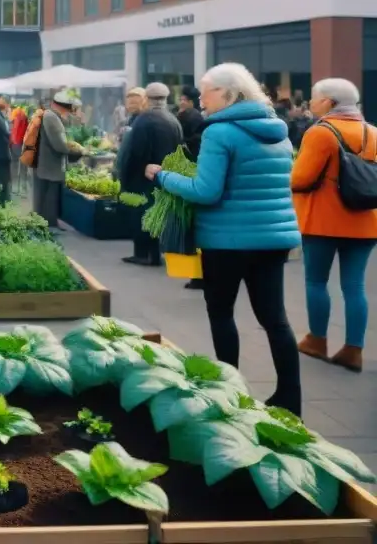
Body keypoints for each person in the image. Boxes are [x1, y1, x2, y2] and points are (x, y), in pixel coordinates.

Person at [145, 63, 302, 415]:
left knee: (221, 313)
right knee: (275, 319)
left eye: (207, 91)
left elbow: (205, 191)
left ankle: (229, 396)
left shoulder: (220, 132)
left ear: (230, 94)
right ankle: (291, 400)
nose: (200, 98)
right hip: (273, 240)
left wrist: (163, 176)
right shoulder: (278, 131)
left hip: (226, 242)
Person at [292, 78, 377, 373]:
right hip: (366, 221)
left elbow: (300, 179)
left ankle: (317, 341)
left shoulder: (320, 133)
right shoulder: (373, 132)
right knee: (354, 286)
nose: (310, 104)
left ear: (329, 103)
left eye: (314, 98)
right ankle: (354, 350)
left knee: (316, 281)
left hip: (323, 222)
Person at [116, 82, 183, 267]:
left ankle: (143, 253)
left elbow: (135, 152)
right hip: (166, 176)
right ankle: (154, 253)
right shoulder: (173, 121)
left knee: (141, 215)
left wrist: (126, 177)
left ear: (146, 98)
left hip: (143, 177)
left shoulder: (144, 121)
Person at [33, 90, 84, 229]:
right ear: (64, 106)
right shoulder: (51, 117)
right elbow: (59, 144)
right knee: (49, 196)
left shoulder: (53, 116)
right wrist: (77, 151)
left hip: (49, 164)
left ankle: (49, 222)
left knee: (49, 195)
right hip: (49, 165)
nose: (71, 111)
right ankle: (48, 224)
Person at [176, 85, 207, 289]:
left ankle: (198, 276)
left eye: (183, 99)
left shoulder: (192, 117)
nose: (180, 102)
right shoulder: (195, 117)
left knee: (195, 230)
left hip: (192, 174)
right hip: (195, 174)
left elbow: (193, 142)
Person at [10, 105, 30, 195]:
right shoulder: (24, 117)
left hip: (15, 144)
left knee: (14, 165)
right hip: (23, 144)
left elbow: (12, 132)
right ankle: (23, 189)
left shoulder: (14, 116)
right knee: (23, 167)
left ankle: (15, 188)